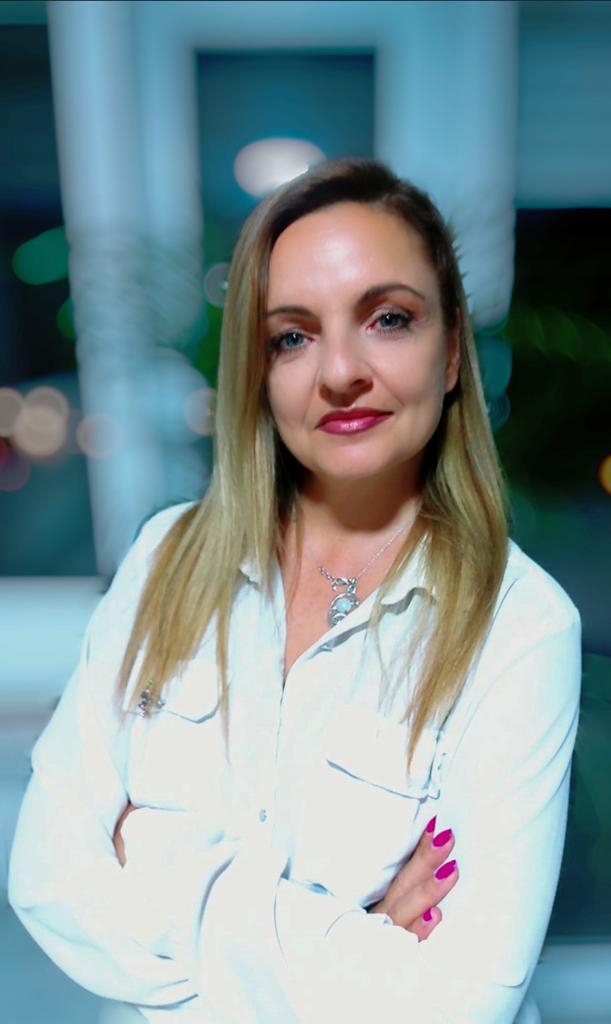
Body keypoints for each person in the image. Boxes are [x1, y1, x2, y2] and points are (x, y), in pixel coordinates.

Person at [9, 158, 581, 1023]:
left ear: (451, 350)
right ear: (259, 370)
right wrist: (351, 942)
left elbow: (461, 1005)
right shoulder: (165, 557)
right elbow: (46, 879)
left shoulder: (521, 626)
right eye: (292, 336)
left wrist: (145, 852)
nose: (339, 370)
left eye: (388, 319)